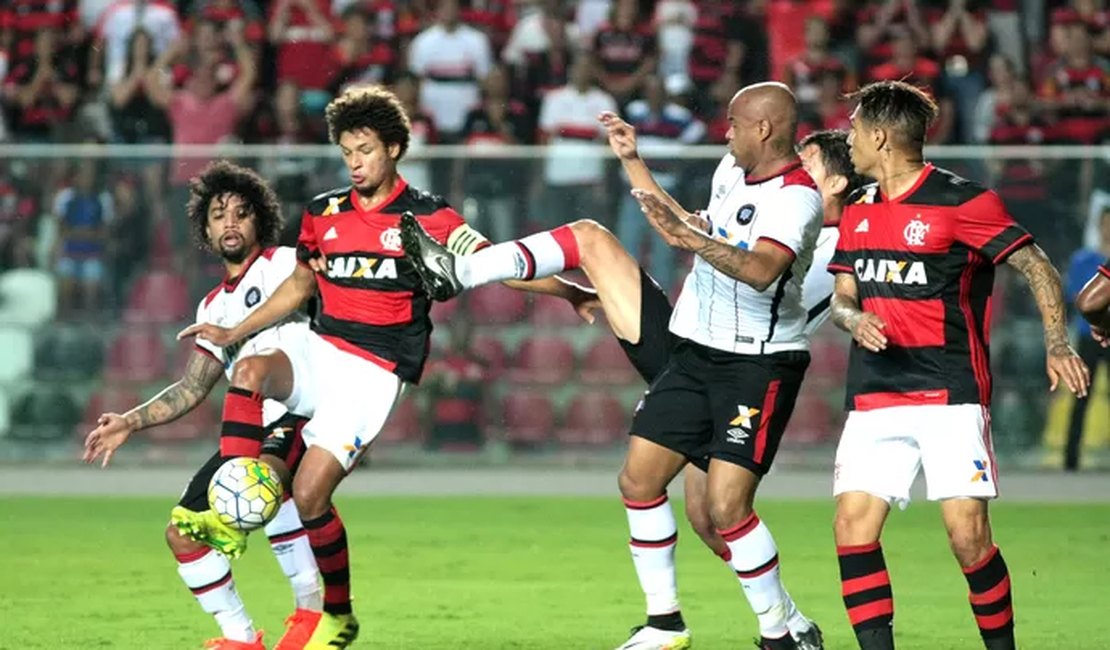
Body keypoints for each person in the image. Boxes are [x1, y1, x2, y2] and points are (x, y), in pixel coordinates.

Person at [402, 82, 829, 650]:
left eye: (733, 123)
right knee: (639, 479)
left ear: (764, 129)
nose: (724, 133)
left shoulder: (797, 197)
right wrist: (634, 165)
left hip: (755, 365)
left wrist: (689, 238)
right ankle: (665, 623)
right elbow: (690, 224)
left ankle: (781, 632)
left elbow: (760, 271)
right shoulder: (731, 170)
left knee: (723, 511)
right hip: (693, 350)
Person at [178, 85, 595, 650]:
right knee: (249, 370)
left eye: (365, 150)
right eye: (347, 151)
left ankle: (339, 616)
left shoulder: (427, 217)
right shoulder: (322, 213)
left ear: (395, 149)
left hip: (374, 370)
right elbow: (301, 283)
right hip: (322, 349)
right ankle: (233, 501)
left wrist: (567, 291)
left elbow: (496, 264)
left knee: (309, 498)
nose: (354, 162)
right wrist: (233, 332)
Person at [826, 80, 1090, 650]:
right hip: (874, 392)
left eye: (853, 129)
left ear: (879, 136)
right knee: (853, 528)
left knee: (967, 537)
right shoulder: (858, 210)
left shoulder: (963, 201)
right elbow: (842, 298)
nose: (847, 139)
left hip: (949, 391)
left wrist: (1057, 342)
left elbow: (1037, 266)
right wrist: (852, 320)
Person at [82, 161, 322, 650]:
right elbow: (192, 389)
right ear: (205, 230)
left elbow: (310, 289)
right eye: (218, 215)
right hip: (247, 431)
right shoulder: (212, 307)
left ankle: (311, 613)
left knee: (267, 484)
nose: (229, 222)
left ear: (260, 221)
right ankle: (240, 638)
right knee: (181, 535)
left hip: (302, 409)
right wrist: (129, 421)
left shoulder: (281, 264)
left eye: (240, 212)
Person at [1063, 207, 1110, 469]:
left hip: (1098, 327)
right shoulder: (1083, 259)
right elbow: (1076, 296)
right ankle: (1071, 460)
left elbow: (1088, 301)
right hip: (1087, 335)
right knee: (1081, 397)